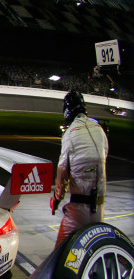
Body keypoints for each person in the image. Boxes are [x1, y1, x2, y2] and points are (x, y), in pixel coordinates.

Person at [51, 90, 108, 246]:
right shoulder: (100, 130)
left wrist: (56, 199)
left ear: (67, 112)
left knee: (61, 251)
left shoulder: (70, 134)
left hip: (79, 209)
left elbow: (62, 174)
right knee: (92, 250)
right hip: (99, 208)